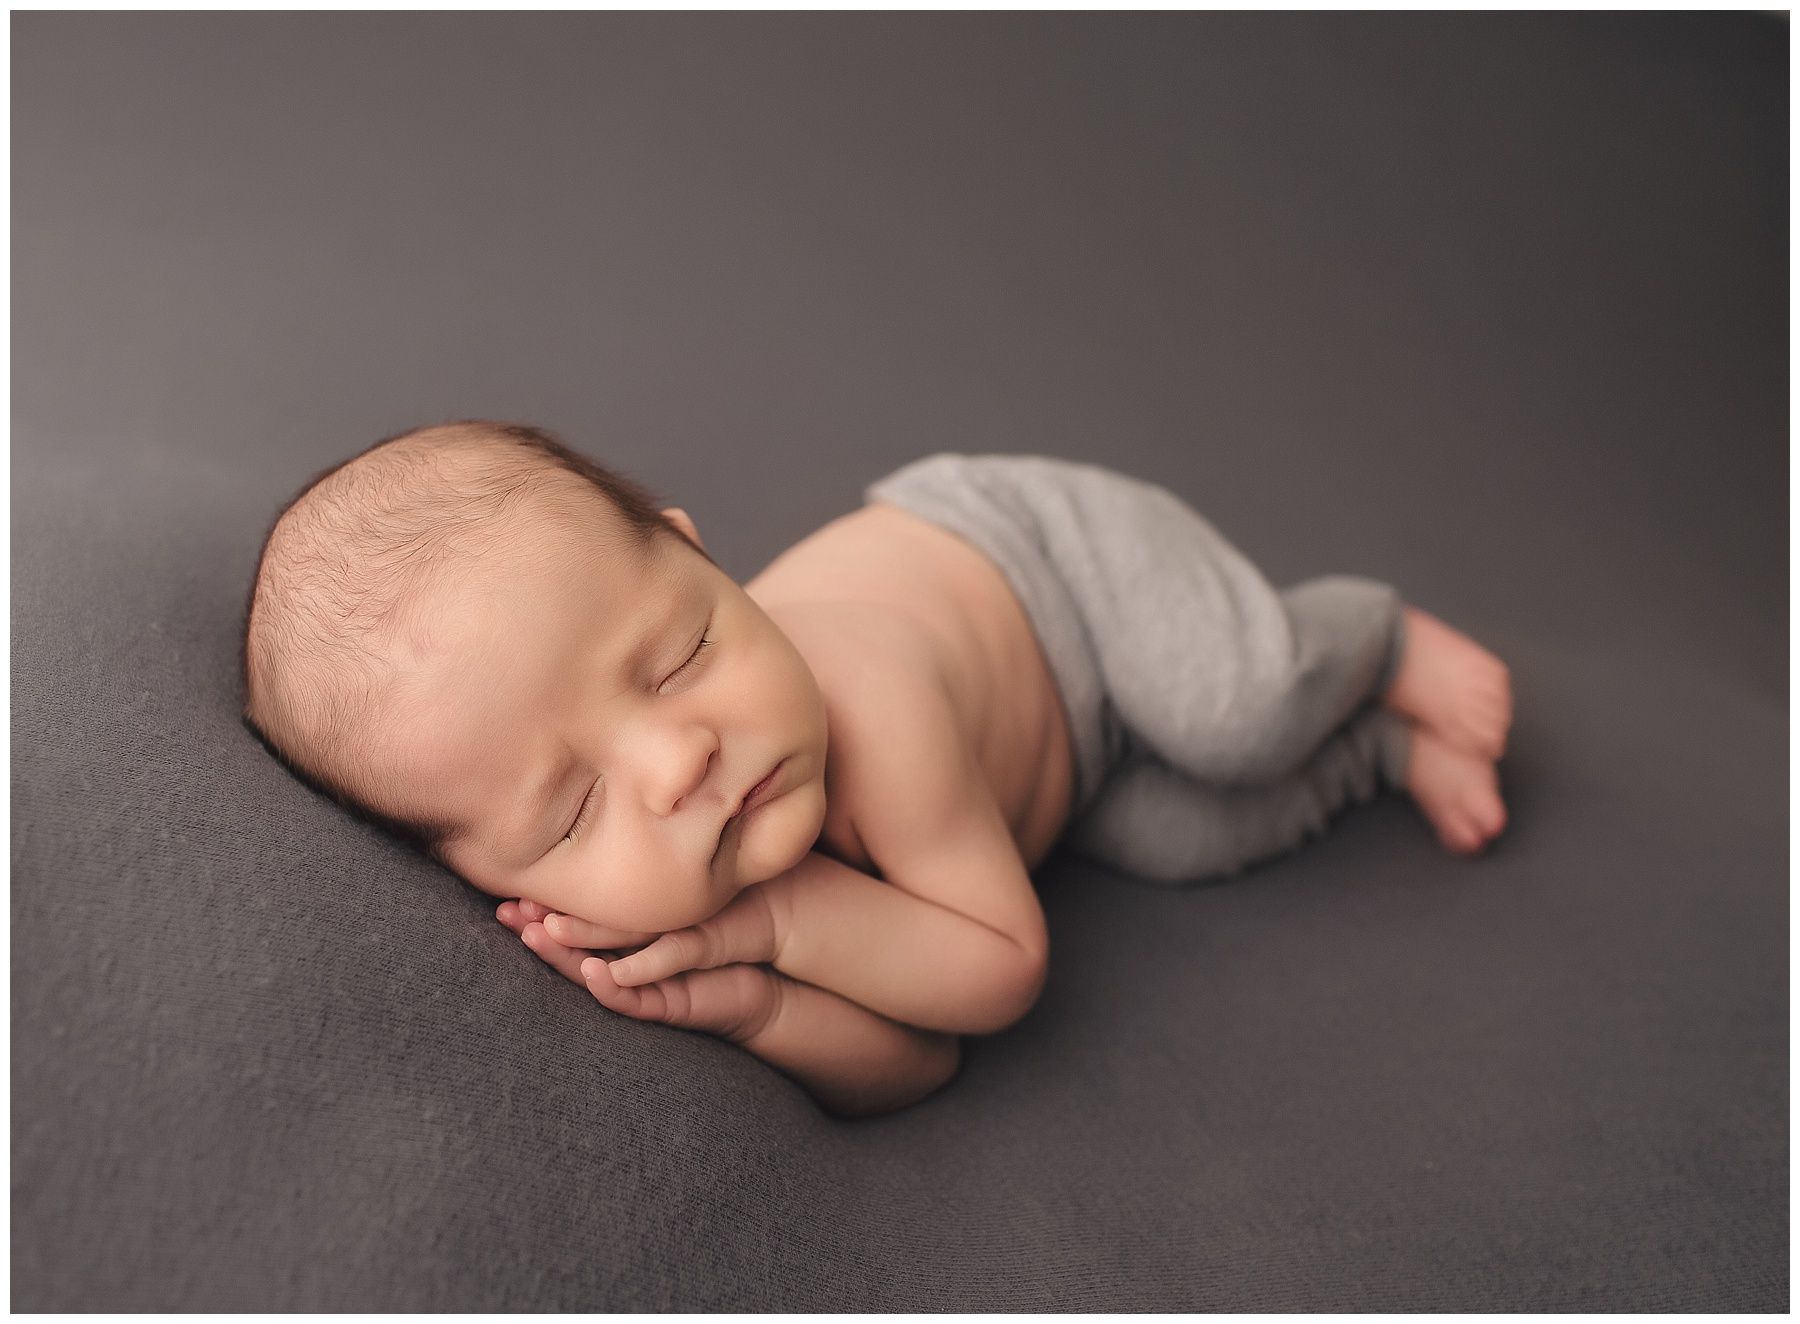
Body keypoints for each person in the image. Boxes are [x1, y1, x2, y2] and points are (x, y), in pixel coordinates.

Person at [240, 420, 1511, 1117]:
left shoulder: (865, 701)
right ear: (485, 877)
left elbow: (999, 971)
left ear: (703, 561)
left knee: (1231, 708)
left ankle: (1361, 643)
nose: (681, 758)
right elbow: (922, 1062)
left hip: (1042, 561)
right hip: (1071, 767)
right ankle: (1380, 751)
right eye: (574, 807)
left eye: (682, 654)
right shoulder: (675, 889)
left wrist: (785, 920)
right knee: (1183, 834)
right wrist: (758, 1008)